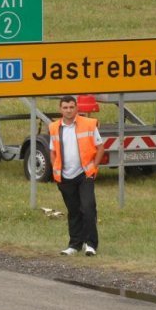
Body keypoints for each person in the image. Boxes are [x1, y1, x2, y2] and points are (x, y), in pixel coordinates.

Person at [49, 95, 105, 256]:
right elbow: (52, 151)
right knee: (73, 211)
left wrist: (94, 168)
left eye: (71, 107)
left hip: (85, 174)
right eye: (65, 107)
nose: (68, 110)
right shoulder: (54, 127)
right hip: (65, 177)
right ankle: (74, 244)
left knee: (88, 208)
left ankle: (91, 244)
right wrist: (55, 169)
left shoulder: (88, 124)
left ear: (77, 108)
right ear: (60, 109)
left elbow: (100, 148)